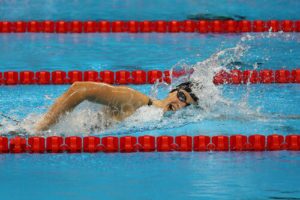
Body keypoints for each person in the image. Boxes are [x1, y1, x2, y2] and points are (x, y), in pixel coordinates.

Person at [34, 81, 199, 131]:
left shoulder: (156, 118)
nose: (180, 103)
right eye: (181, 96)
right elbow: (79, 89)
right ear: (172, 91)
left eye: (186, 104)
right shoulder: (138, 100)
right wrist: (39, 131)